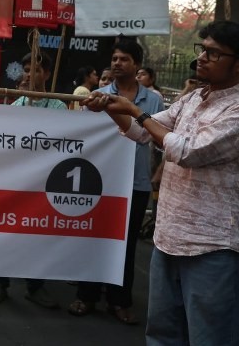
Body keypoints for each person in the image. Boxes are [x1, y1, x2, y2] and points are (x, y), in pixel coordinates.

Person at [82, 21, 239, 345]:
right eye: (202, 50)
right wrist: (111, 108)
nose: (201, 58)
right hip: (168, 238)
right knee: (162, 334)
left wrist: (135, 111)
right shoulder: (193, 99)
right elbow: (142, 132)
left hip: (212, 247)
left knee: (208, 337)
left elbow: (188, 151)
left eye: (213, 53)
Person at [68, 39, 164, 324]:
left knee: (127, 244)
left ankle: (119, 301)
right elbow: (85, 133)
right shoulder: (97, 97)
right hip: (100, 181)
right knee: (94, 239)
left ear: (137, 64)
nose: (117, 63)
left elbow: (155, 137)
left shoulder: (153, 100)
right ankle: (86, 296)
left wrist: (158, 172)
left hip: (136, 182)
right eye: (114, 59)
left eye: (124, 59)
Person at [0, 52, 64, 309]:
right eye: (27, 70)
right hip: (15, 183)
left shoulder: (59, 107)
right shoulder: (16, 106)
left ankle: (35, 286)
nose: (29, 75)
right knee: (5, 232)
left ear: (47, 74)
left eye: (36, 70)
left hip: (43, 184)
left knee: (38, 236)